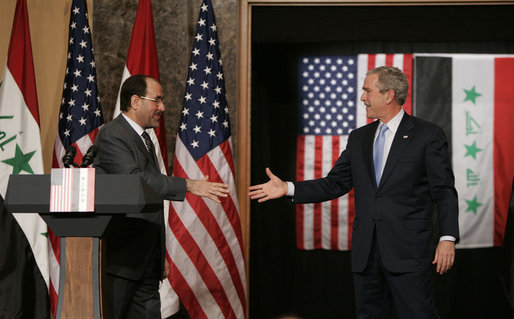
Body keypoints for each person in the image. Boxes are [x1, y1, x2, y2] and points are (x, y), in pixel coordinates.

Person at [249, 66, 459, 319]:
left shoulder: (427, 135)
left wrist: (447, 238)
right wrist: (288, 188)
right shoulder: (359, 137)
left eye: (367, 91)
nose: (363, 98)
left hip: (408, 252)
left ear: (389, 95)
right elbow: (335, 183)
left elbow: (443, 190)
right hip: (366, 254)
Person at [93, 74, 228, 319]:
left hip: (147, 262)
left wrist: (159, 254)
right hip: (121, 263)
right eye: (157, 100)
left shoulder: (145, 138)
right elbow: (135, 181)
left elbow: (151, 201)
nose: (162, 107)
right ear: (135, 101)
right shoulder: (113, 135)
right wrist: (188, 185)